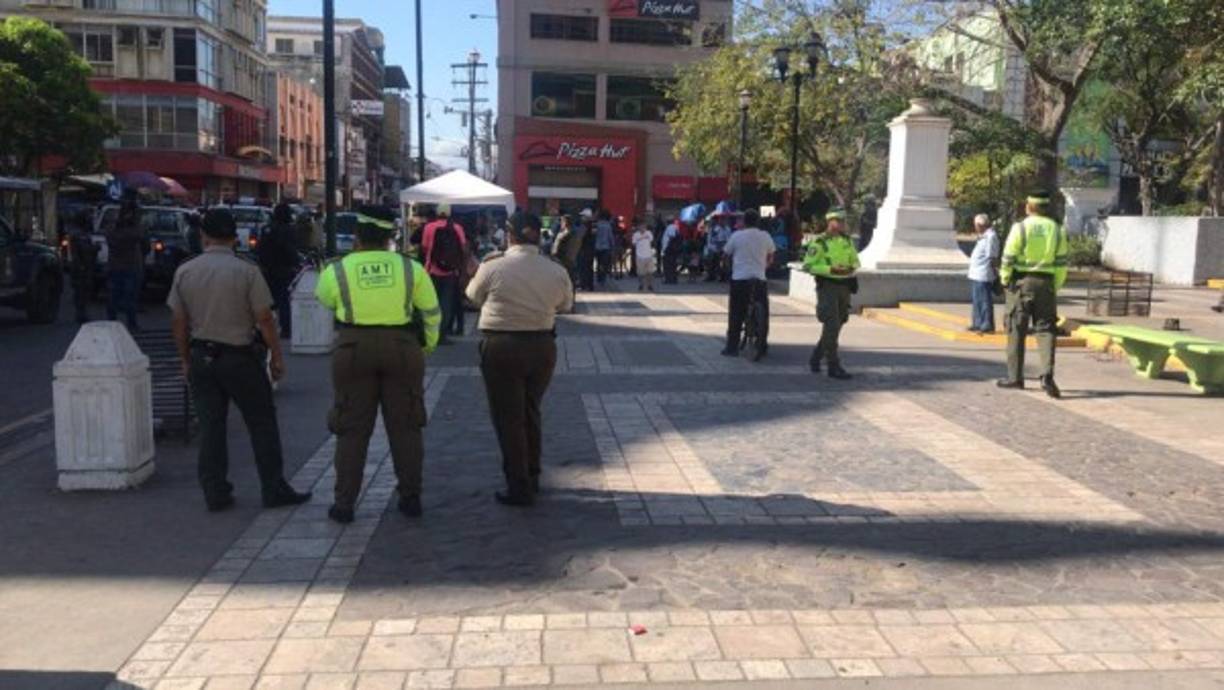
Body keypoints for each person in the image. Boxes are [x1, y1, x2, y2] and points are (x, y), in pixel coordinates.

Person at [168, 208, 311, 512]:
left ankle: (215, 492)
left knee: (211, 427)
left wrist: (184, 359)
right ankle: (273, 487)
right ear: (235, 237)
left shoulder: (186, 271)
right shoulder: (246, 271)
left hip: (201, 357)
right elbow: (264, 318)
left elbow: (178, 322)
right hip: (240, 357)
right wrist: (276, 357)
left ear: (204, 236)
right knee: (261, 424)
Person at [314, 211, 441, 523]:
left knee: (351, 429)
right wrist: (425, 347)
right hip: (402, 348)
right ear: (389, 239)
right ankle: (410, 498)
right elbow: (431, 313)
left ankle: (344, 504)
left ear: (357, 237)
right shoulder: (411, 269)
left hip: (353, 348)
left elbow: (325, 300)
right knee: (406, 426)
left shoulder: (337, 269)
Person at [466, 212, 573, 507]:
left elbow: (472, 297)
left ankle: (518, 484)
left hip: (501, 346)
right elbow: (566, 305)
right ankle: (533, 473)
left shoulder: (493, 266)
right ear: (539, 234)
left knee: (508, 418)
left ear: (509, 234)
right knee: (530, 410)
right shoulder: (555, 270)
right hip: (542, 346)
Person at [997, 191, 1069, 399]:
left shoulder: (1020, 227)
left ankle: (1015, 377)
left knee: (1016, 330)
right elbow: (1061, 263)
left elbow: (1008, 256)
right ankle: (1046, 375)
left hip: (1021, 283)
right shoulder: (1057, 230)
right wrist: (1055, 285)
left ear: (1029, 206)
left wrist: (1004, 278)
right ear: (1046, 207)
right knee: (1046, 330)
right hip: (1046, 283)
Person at [804, 209, 860, 379]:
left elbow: (855, 260)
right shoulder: (819, 242)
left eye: (844, 221)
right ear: (831, 222)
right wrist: (830, 269)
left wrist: (851, 267)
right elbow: (808, 265)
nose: (844, 224)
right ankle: (833, 365)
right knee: (832, 325)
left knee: (838, 324)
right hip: (828, 286)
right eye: (840, 221)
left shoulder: (847, 240)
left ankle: (816, 357)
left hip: (844, 286)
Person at [721, 209, 775, 359]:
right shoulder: (765, 236)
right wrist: (764, 266)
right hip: (759, 278)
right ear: (758, 222)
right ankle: (762, 345)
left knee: (736, 313)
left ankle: (732, 347)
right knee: (763, 312)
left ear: (744, 221)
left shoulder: (737, 236)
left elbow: (726, 254)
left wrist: (728, 269)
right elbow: (771, 256)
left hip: (739, 279)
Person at [420, 203, 467, 345]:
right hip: (450, 272)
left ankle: (430, 333)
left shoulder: (429, 227)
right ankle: (442, 334)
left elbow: (424, 247)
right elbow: (463, 248)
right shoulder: (457, 228)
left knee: (431, 303)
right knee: (446, 304)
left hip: (431, 270)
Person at [257, 202, 300, 339]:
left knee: (266, 301)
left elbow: (260, 249)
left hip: (268, 269)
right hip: (285, 270)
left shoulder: (267, 229)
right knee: (284, 301)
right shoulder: (290, 230)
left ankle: (262, 328)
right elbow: (292, 250)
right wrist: (295, 263)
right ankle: (286, 329)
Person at [106, 190, 144, 331]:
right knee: (128, 297)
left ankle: (114, 321)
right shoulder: (129, 231)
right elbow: (139, 235)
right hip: (129, 266)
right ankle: (130, 323)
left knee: (116, 296)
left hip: (117, 265)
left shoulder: (114, 228)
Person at [967, 213, 1000, 333]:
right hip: (976, 273)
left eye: (976, 225)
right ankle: (977, 322)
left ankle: (987, 324)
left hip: (984, 274)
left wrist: (996, 274)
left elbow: (992, 257)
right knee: (977, 300)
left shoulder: (991, 237)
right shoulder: (983, 236)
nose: (975, 227)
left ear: (980, 225)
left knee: (985, 301)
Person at [66, 208, 97, 323]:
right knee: (81, 291)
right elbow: (83, 250)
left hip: (83, 266)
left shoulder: (81, 234)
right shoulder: (78, 235)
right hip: (81, 266)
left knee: (83, 291)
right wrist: (94, 249)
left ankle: (82, 313)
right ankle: (81, 314)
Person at [704, 215, 732, 282]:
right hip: (712, 248)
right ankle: (711, 276)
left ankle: (724, 277)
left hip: (722, 248)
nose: (721, 222)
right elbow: (710, 239)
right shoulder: (713, 229)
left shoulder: (727, 229)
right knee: (711, 263)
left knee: (723, 264)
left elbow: (727, 239)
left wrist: (721, 246)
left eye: (723, 220)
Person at [631, 220, 655, 292]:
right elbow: (634, 243)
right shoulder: (636, 235)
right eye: (641, 227)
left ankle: (649, 285)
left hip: (648, 255)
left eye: (644, 227)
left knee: (650, 272)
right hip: (640, 256)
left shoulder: (649, 233)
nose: (643, 228)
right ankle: (641, 284)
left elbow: (651, 240)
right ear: (638, 227)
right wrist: (641, 238)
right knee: (640, 273)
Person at [661, 219, 681, 284]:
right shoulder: (675, 227)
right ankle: (673, 279)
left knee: (668, 265)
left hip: (669, 249)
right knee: (673, 265)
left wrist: (668, 247)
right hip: (672, 249)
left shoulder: (670, 227)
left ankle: (669, 279)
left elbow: (672, 237)